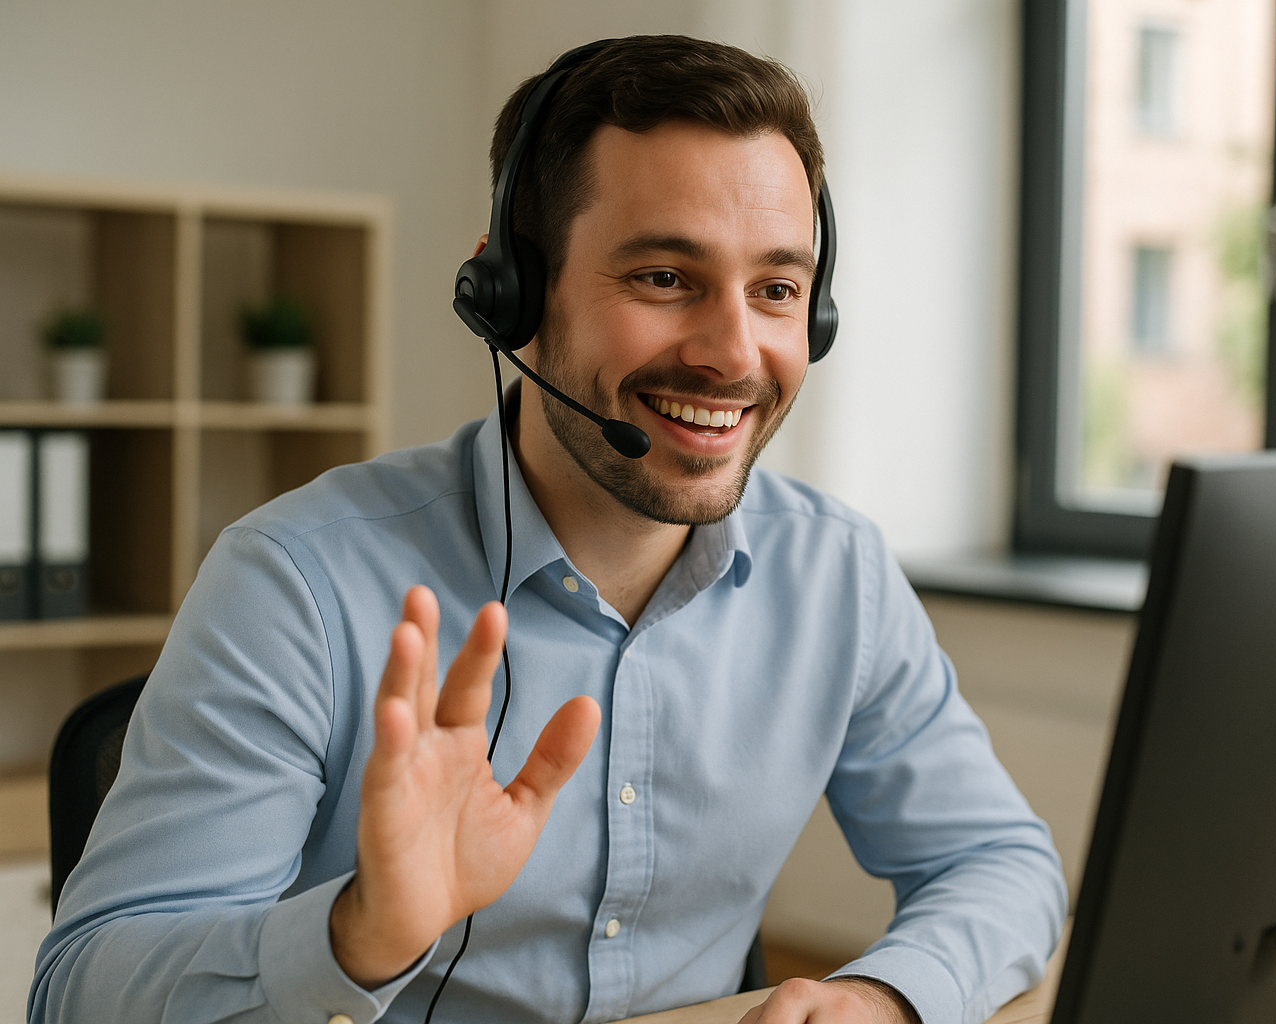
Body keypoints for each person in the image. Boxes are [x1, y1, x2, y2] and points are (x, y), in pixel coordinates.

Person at [31, 35, 1066, 1024]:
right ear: (509, 295)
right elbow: (81, 993)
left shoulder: (837, 575)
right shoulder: (298, 582)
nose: (733, 352)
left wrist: (888, 994)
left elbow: (1001, 864)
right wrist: (359, 934)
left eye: (778, 290)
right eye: (665, 278)